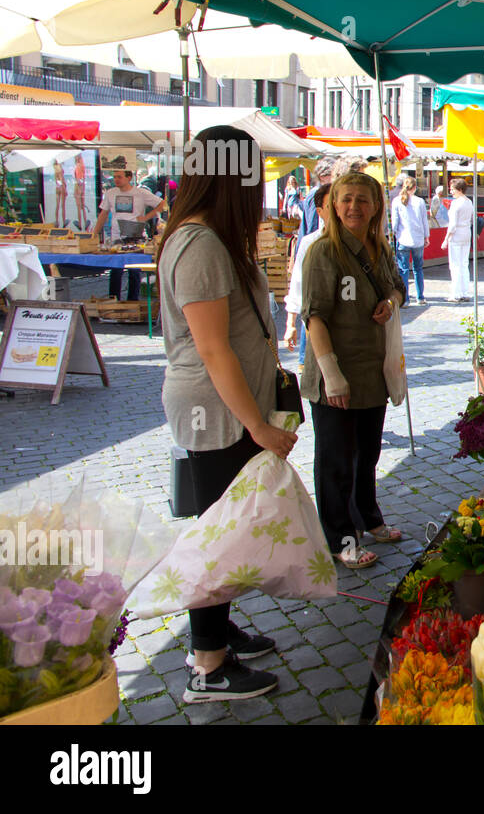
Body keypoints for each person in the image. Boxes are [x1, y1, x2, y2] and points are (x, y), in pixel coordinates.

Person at [157, 125, 292, 704]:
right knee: (215, 535)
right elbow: (213, 350)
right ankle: (208, 665)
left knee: (228, 526)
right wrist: (258, 426)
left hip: (228, 410)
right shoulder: (200, 245)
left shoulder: (211, 238)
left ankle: (218, 632)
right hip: (216, 413)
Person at [300, 170, 406, 570]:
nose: (353, 207)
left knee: (368, 455)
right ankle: (341, 539)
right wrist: (331, 373)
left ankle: (368, 517)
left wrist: (391, 303)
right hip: (337, 376)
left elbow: (399, 286)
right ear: (331, 204)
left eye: (363, 199)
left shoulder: (379, 247)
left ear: (377, 206)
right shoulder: (323, 252)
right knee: (337, 462)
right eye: (346, 199)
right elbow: (314, 317)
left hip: (371, 373)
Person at [92, 167, 166, 302]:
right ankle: (113, 301)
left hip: (136, 236)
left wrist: (146, 217)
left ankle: (133, 301)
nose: (116, 180)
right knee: (115, 270)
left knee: (134, 270)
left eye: (119, 177)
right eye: (114, 177)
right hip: (117, 237)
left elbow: (161, 204)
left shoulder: (140, 192)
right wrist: (94, 233)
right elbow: (103, 214)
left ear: (129, 178)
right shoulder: (110, 193)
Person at [284, 184, 331, 368]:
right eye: (330, 206)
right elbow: (297, 283)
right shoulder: (309, 242)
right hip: (317, 331)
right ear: (319, 212)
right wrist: (290, 324)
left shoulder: (360, 241)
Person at [390, 176, 430, 305]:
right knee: (418, 269)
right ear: (414, 188)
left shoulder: (397, 201)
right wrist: (426, 236)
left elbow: (394, 222)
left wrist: (393, 235)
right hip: (418, 239)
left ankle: (405, 299)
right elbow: (425, 221)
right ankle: (420, 296)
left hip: (403, 239)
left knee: (403, 270)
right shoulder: (420, 202)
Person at [446, 178, 476, 300]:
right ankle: (465, 291)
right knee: (464, 264)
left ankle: (456, 293)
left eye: (452, 189)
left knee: (455, 265)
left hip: (457, 234)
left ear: (459, 190)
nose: (451, 191)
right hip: (466, 233)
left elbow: (452, 225)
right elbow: (473, 218)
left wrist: (446, 238)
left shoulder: (456, 203)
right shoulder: (469, 202)